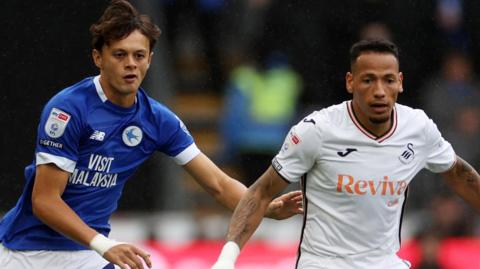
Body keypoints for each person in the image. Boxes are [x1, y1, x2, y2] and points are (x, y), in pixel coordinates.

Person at [0, 1, 302, 269]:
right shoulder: (68, 109)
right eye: (119, 54)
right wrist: (105, 246)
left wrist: (269, 208)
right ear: (98, 58)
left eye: (139, 55)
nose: (131, 63)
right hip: (27, 251)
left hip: (86, 254)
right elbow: (45, 201)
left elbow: (219, 184)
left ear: (150, 59)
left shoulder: (157, 120)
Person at [211, 39, 480, 269]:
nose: (379, 91)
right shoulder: (317, 131)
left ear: (400, 83)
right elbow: (261, 192)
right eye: (368, 80)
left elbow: (459, 174)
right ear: (350, 82)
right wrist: (226, 258)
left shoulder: (418, 128)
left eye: (387, 80)